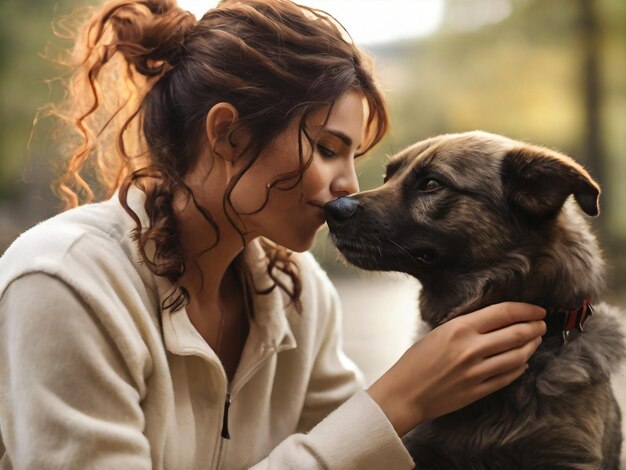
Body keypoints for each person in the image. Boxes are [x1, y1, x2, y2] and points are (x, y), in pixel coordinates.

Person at [0, 0, 546, 468]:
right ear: (229, 134)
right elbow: (353, 440)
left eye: (354, 157)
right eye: (329, 149)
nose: (347, 188)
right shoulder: (64, 283)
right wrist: (397, 401)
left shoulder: (298, 292)